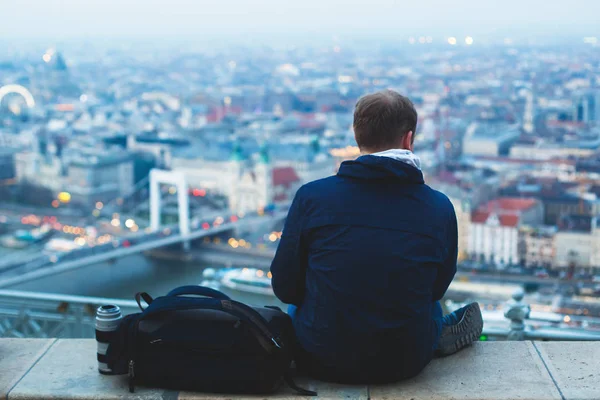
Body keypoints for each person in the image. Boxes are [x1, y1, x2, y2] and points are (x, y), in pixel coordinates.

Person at [270, 90, 483, 384]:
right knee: (427, 304)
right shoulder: (438, 207)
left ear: (358, 137)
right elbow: (435, 289)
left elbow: (285, 287)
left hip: (317, 358)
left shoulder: (312, 197)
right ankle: (439, 332)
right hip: (405, 362)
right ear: (408, 139)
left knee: (303, 299)